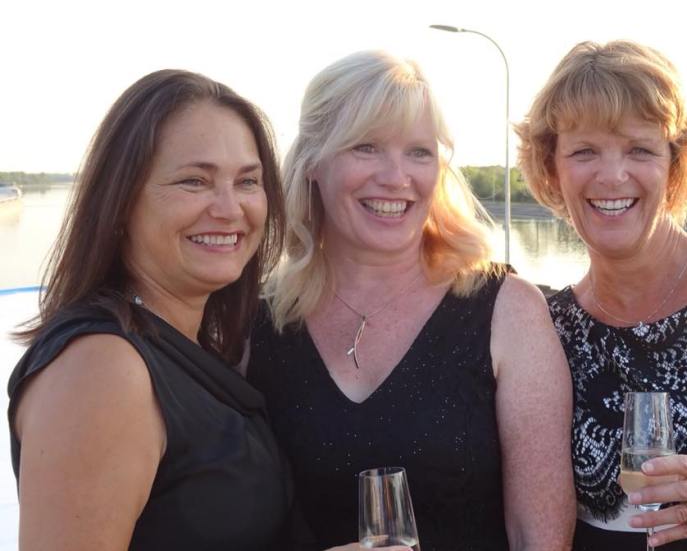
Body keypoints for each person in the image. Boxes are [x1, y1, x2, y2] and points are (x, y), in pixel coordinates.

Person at [8, 69, 351, 551]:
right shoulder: (101, 369)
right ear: (121, 201)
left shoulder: (184, 344)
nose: (230, 209)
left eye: (247, 181)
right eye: (194, 181)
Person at [247, 50, 575, 550]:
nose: (396, 177)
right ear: (313, 161)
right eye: (366, 147)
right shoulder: (257, 323)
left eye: (419, 152)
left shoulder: (507, 311)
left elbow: (540, 539)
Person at [515, 39, 687, 550]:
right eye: (584, 151)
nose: (612, 175)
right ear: (552, 169)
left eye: (639, 149)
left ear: (675, 164)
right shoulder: (544, 328)